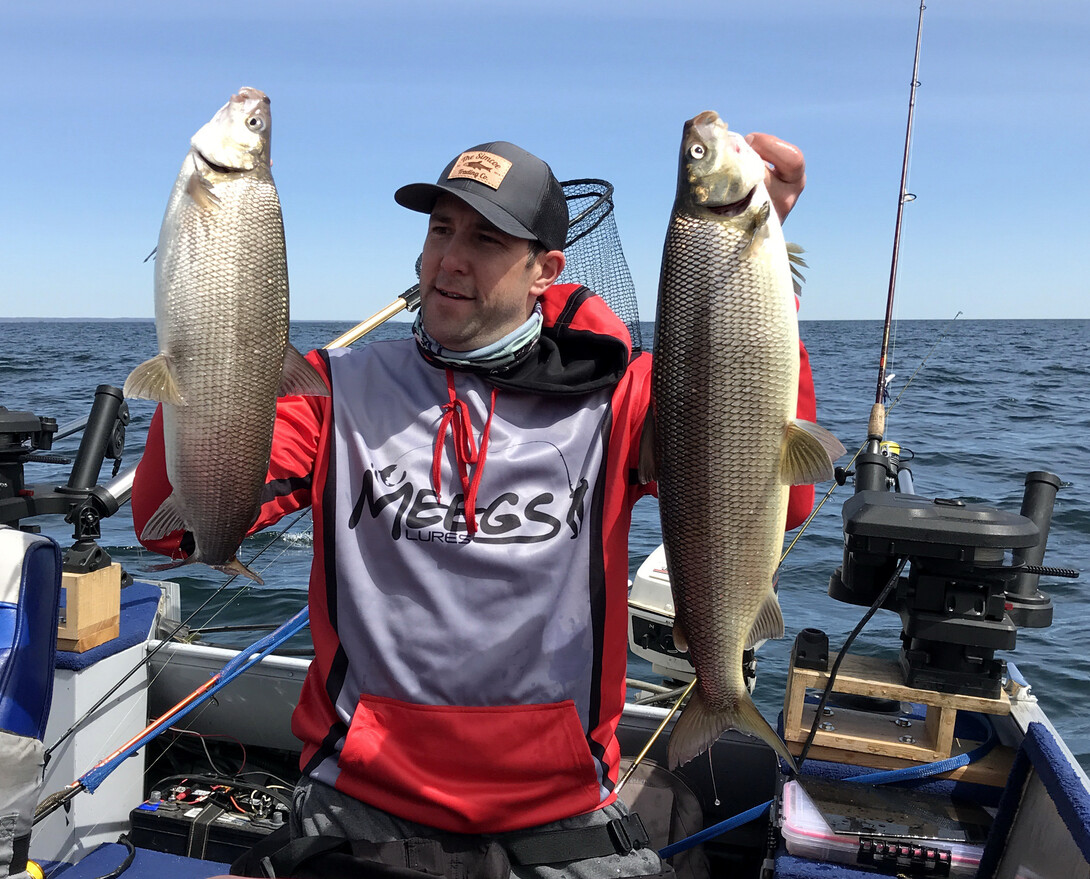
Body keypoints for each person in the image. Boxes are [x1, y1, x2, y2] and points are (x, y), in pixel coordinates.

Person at [132, 134, 813, 878]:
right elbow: (173, 528)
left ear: (544, 271)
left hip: (564, 807)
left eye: (486, 239)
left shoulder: (623, 394)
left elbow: (784, 494)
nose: (449, 258)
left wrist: (750, 272)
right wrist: (211, 328)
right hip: (359, 797)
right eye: (439, 229)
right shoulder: (335, 390)